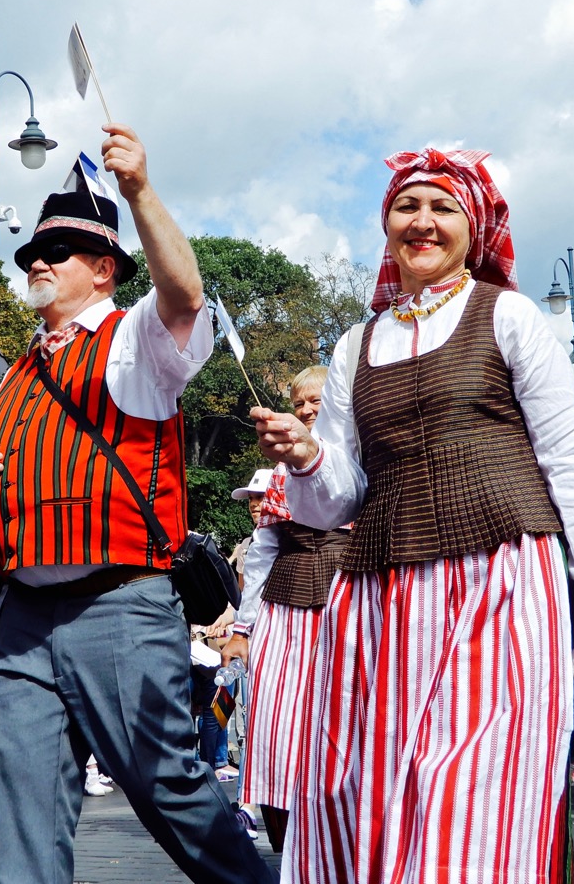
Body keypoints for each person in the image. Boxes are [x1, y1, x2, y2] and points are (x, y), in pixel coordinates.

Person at [252, 147, 574, 882]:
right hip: (381, 592)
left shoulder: (510, 315)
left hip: (500, 573)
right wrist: (305, 454)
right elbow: (338, 496)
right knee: (375, 784)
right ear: (387, 226)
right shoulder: (356, 343)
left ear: (475, 226)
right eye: (406, 207)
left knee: (473, 784)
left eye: (442, 208)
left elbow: (567, 454)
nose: (422, 222)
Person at [0, 123, 272, 884]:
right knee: (27, 815)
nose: (35, 262)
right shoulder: (16, 372)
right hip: (25, 617)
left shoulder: (132, 338)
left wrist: (137, 190)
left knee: (169, 789)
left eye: (53, 253)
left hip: (119, 606)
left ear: (102, 269)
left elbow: (186, 294)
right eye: (30, 253)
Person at [224, 366, 350, 853]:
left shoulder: (360, 458)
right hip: (287, 610)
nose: (305, 410)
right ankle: (291, 843)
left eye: (315, 401)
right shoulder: (278, 473)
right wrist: (242, 628)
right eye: (298, 403)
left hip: (353, 605)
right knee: (278, 729)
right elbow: (262, 555)